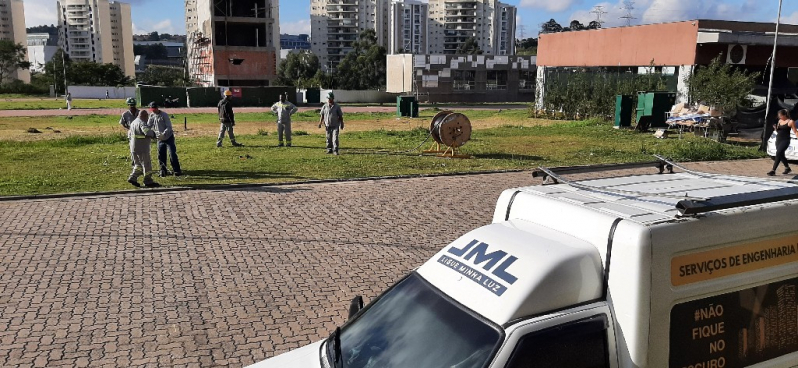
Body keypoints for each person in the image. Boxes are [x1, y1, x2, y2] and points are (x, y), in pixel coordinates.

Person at [148, 101, 183, 177]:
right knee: (161, 154)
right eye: (152, 109)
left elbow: (169, 127)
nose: (153, 110)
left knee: (172, 154)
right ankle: (163, 170)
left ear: (157, 108)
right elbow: (149, 126)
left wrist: (163, 134)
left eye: (154, 109)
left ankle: (177, 170)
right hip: (159, 139)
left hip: (168, 137)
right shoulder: (151, 116)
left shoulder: (164, 115)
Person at [127, 110, 160, 188]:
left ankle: (133, 177)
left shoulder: (133, 122)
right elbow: (147, 132)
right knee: (146, 165)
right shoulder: (142, 123)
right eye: (147, 117)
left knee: (138, 165)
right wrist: (154, 134)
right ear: (144, 116)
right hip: (142, 147)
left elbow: (129, 134)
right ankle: (148, 181)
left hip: (133, 148)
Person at [769, 109, 798, 176]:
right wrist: (775, 128)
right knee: (781, 155)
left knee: (778, 153)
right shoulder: (780, 121)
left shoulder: (790, 122)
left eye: (780, 115)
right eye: (779, 115)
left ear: (784, 115)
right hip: (778, 139)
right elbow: (779, 131)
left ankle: (773, 170)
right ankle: (787, 168)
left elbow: (795, 131)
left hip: (785, 140)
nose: (779, 117)